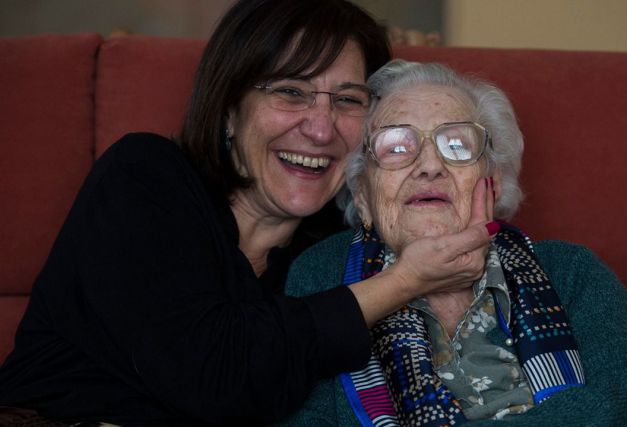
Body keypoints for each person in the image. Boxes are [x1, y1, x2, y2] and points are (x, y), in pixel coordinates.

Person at [0, 2, 497, 425]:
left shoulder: (329, 257)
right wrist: (406, 281)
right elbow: (211, 374)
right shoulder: (145, 179)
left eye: (348, 100)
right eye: (290, 92)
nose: (321, 130)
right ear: (229, 108)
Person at [281, 60, 627, 426]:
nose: (428, 167)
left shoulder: (570, 271)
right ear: (363, 196)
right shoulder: (325, 274)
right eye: (397, 147)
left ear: (493, 182)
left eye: (457, 145)